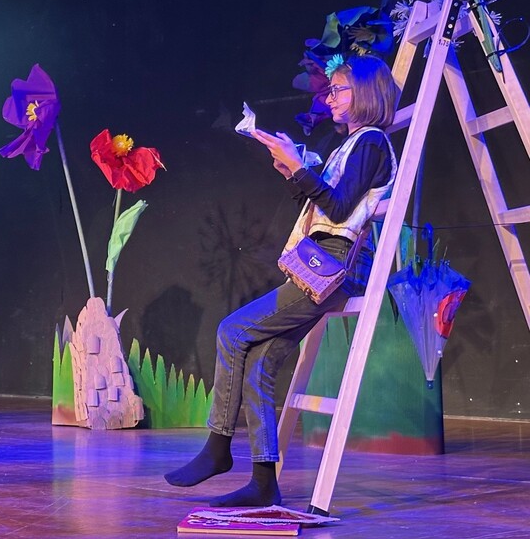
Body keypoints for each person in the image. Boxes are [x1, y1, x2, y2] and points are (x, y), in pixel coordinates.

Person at [165, 54, 398, 507]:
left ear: (366, 94)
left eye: (339, 90)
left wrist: (300, 168)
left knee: (231, 331)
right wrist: (292, 169)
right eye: (330, 91)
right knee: (257, 363)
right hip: (322, 261)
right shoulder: (352, 144)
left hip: (334, 265)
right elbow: (322, 202)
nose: (330, 99)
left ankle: (218, 447)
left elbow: (338, 208)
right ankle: (263, 482)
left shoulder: (370, 141)